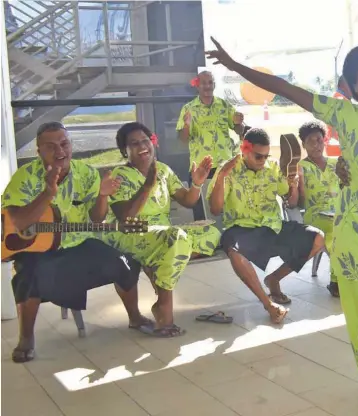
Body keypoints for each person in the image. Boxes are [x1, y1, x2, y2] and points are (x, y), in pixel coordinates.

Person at [205, 38, 358, 400]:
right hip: (352, 225)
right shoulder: (342, 114)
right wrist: (236, 66)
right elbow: (285, 88)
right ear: (352, 84)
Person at [2, 122, 153, 362]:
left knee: (124, 262)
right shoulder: (25, 177)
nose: (60, 151)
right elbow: (19, 223)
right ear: (39, 150)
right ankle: (26, 338)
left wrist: (103, 195)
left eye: (64, 144)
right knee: (27, 276)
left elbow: (97, 219)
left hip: (78, 242)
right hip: (38, 250)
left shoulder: (86, 173)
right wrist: (48, 193)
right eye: (51, 147)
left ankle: (134, 316)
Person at [105, 122, 218, 337]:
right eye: (134, 143)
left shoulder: (163, 169)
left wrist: (196, 184)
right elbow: (125, 216)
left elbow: (187, 201)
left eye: (145, 140)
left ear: (153, 142)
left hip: (163, 233)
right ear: (124, 151)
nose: (142, 146)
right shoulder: (120, 176)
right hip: (131, 231)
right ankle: (164, 306)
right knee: (177, 239)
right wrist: (147, 185)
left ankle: (160, 261)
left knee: (211, 233)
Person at [208, 128, 325, 324]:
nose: (262, 160)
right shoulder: (227, 169)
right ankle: (268, 304)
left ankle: (274, 279)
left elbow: (291, 201)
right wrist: (221, 178)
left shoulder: (272, 168)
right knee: (233, 248)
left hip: (273, 226)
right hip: (241, 228)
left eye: (266, 156)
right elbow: (215, 209)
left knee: (318, 238)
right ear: (244, 150)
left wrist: (293, 184)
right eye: (258, 156)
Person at [177, 70, 246, 221]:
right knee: (203, 216)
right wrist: (187, 125)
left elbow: (239, 130)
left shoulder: (224, 105)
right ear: (197, 86)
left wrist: (238, 123)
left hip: (225, 166)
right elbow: (182, 138)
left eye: (210, 82)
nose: (207, 86)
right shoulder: (188, 109)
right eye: (204, 83)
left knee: (229, 210)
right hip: (202, 169)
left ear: (214, 85)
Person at [296, 120, 342, 297]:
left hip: (339, 211)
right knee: (335, 229)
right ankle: (337, 281)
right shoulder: (301, 167)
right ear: (304, 144)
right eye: (311, 141)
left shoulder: (336, 163)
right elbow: (299, 202)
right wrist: (296, 183)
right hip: (315, 213)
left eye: (319, 140)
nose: (316, 145)